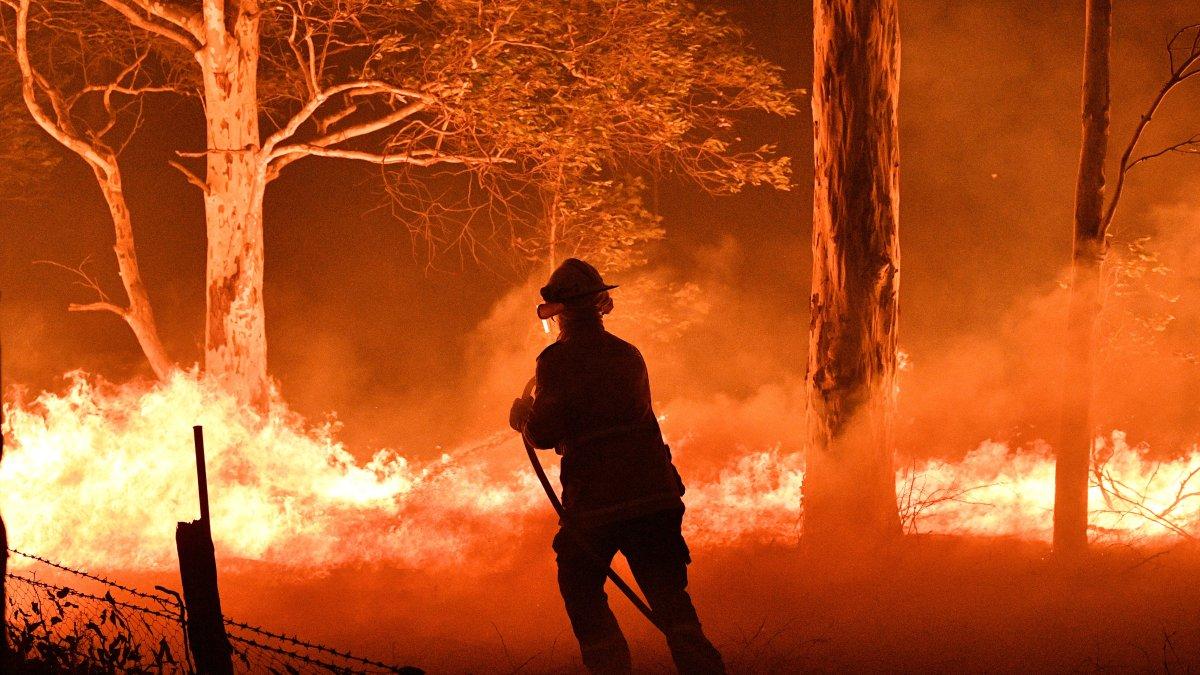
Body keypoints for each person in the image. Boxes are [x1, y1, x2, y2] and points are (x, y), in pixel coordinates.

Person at [509, 258, 725, 675]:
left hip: (598, 504)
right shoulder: (628, 354)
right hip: (653, 496)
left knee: (579, 583)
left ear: (560, 312)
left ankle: (611, 669)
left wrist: (523, 418)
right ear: (600, 304)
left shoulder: (557, 361)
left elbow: (545, 433)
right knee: (669, 598)